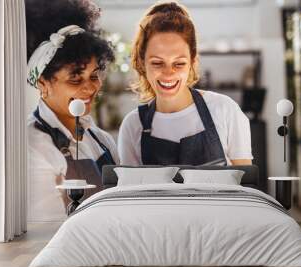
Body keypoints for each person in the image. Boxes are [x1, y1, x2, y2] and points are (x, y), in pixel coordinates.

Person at [118, 1, 253, 166]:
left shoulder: (224, 110)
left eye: (179, 63)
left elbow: (246, 185)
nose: (169, 73)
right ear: (141, 63)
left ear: (192, 61)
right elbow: (130, 191)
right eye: (157, 63)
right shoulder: (133, 126)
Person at [26, 0, 119, 221]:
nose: (89, 88)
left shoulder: (102, 140)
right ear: (42, 83)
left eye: (94, 76)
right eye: (75, 79)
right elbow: (47, 226)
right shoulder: (33, 146)